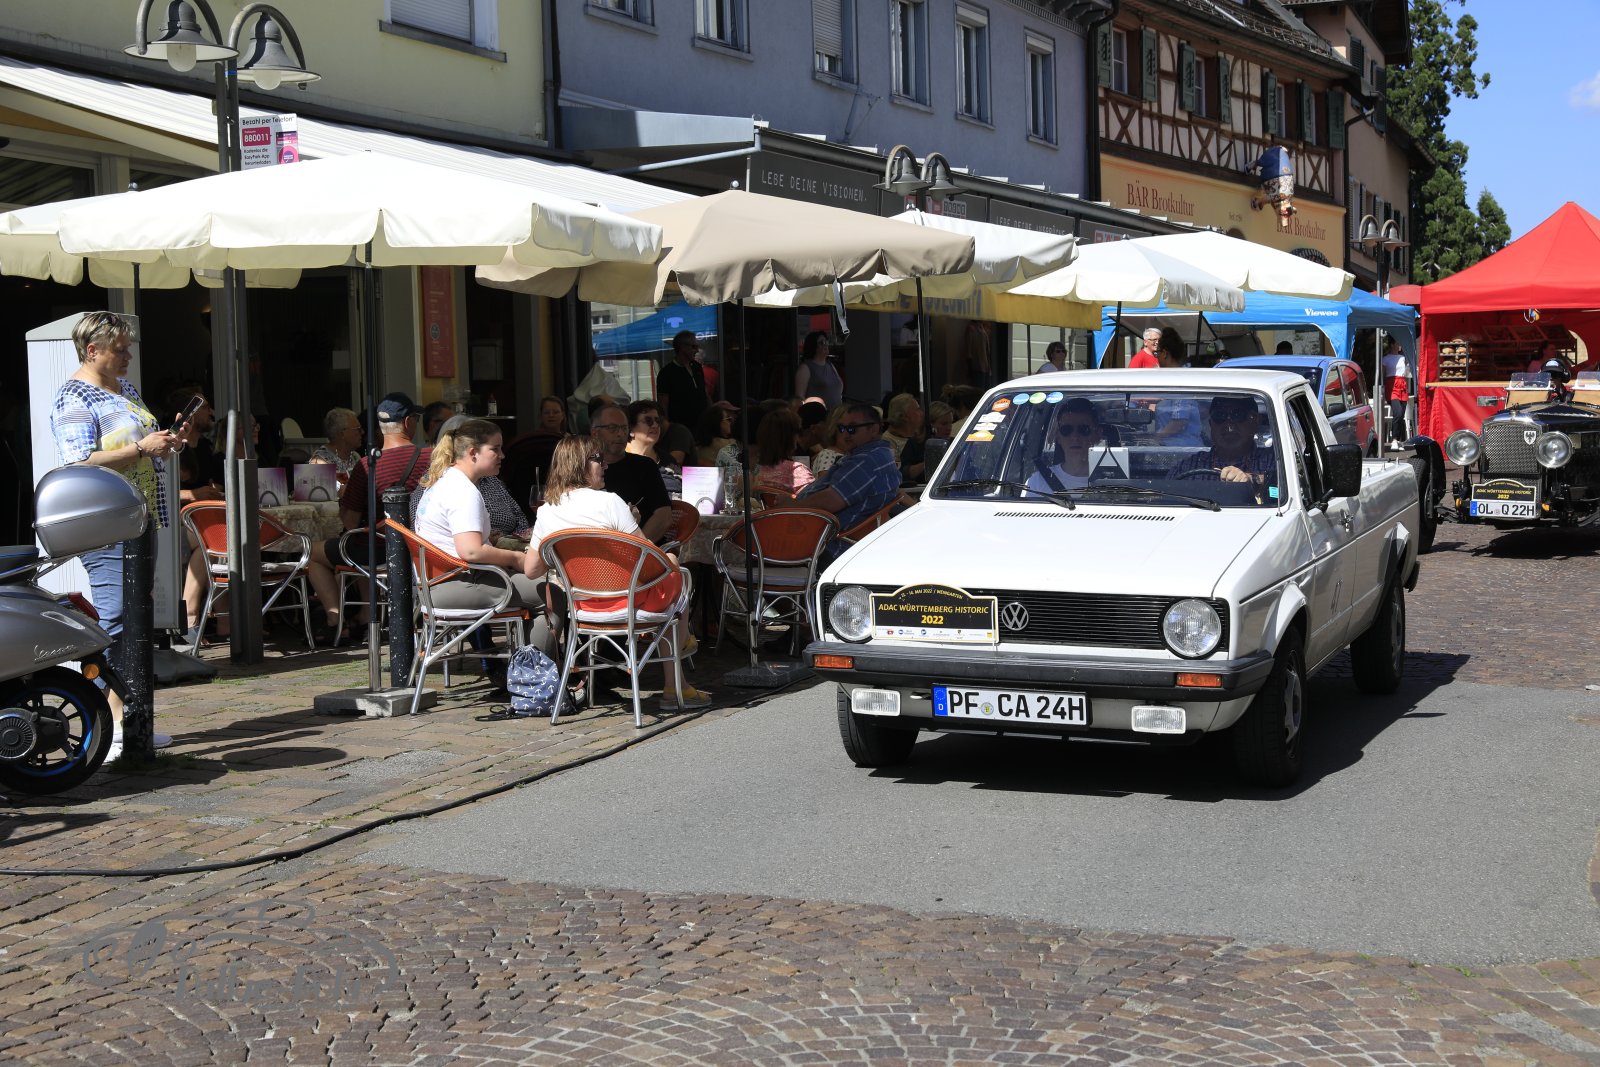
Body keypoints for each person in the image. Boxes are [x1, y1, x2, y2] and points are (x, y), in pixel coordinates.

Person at [51, 311, 181, 753]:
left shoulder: (123, 388)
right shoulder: (74, 396)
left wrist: (164, 442)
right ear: (92, 350)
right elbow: (78, 461)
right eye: (119, 349)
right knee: (116, 619)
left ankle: (125, 720)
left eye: (128, 348)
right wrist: (142, 448)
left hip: (139, 517)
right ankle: (97, 725)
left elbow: (139, 443)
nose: (128, 356)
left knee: (135, 617)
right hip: (106, 521)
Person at [525, 435, 709, 709]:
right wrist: (633, 523)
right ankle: (677, 671)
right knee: (675, 570)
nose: (606, 465)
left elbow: (531, 570)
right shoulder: (610, 502)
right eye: (598, 459)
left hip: (583, 606)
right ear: (579, 464)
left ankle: (679, 671)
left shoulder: (547, 511)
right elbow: (651, 561)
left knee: (671, 587)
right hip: (628, 601)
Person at [412, 419, 559, 674]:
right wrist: (515, 558)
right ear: (473, 452)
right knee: (552, 594)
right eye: (495, 449)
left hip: (438, 584)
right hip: (458, 584)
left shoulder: (444, 480)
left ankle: (528, 671)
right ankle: (533, 678)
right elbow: (470, 551)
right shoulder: (462, 491)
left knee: (539, 586)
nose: (502, 455)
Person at [304, 392, 429, 642]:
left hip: (378, 549)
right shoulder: (432, 458)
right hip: (424, 548)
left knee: (311, 553)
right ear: (407, 423)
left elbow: (350, 522)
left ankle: (336, 621)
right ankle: (363, 613)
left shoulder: (366, 465)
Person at [798, 401, 901, 560]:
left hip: (825, 546)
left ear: (873, 429)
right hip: (828, 539)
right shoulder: (878, 455)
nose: (845, 434)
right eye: (841, 428)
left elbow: (830, 500)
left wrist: (792, 506)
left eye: (852, 429)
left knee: (757, 537)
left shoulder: (866, 461)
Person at [592, 402, 674, 543]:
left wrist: (635, 548)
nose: (620, 434)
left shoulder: (645, 466)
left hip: (642, 549)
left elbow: (664, 516)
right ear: (595, 433)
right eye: (612, 428)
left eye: (624, 428)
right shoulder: (583, 468)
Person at [1168, 395, 1278, 488]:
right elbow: (1164, 494)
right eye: (1219, 416)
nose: (1228, 425)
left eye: (1238, 415)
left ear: (1255, 422)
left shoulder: (1275, 461)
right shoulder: (1190, 466)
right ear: (1211, 425)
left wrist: (1252, 480)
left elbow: (1281, 486)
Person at [1026, 398, 1105, 495]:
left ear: (1097, 435)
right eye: (1067, 430)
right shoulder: (1037, 483)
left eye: (1083, 429)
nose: (1075, 437)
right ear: (1058, 436)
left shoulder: (1115, 484)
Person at [1152, 329, 1204, 446]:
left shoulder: (1180, 380)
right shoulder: (1177, 378)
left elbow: (1179, 421)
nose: (1156, 357)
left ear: (1165, 353)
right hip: (1178, 448)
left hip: (1182, 449)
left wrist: (1155, 438)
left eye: (1157, 353)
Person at [754, 407, 815, 496]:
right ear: (789, 437)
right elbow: (813, 500)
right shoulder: (797, 471)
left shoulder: (754, 471)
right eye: (798, 431)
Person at [657, 329, 709, 429]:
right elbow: (663, 405)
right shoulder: (666, 373)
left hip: (702, 426)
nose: (697, 350)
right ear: (683, 347)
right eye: (694, 347)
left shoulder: (697, 367)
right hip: (681, 427)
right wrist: (667, 429)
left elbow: (705, 393)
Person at [794, 330, 844, 409]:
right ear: (813, 346)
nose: (826, 344)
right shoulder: (805, 368)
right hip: (819, 414)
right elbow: (799, 397)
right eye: (822, 342)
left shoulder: (830, 365)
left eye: (826, 341)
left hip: (837, 414)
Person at [310, 407, 362, 476]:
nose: (362, 432)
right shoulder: (319, 461)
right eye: (358, 429)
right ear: (342, 433)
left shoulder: (355, 457)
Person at [1382, 335, 1411, 446]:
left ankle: (1398, 440)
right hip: (1391, 385)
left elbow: (1407, 373)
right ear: (1392, 345)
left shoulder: (1403, 358)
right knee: (1397, 412)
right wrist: (1382, 388)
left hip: (1402, 386)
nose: (1399, 346)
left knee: (1401, 414)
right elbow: (1382, 375)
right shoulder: (1385, 359)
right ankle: (1394, 439)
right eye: (1398, 343)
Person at [694, 402, 738, 466]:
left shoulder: (696, 449)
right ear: (718, 422)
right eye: (728, 419)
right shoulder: (730, 444)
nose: (732, 421)